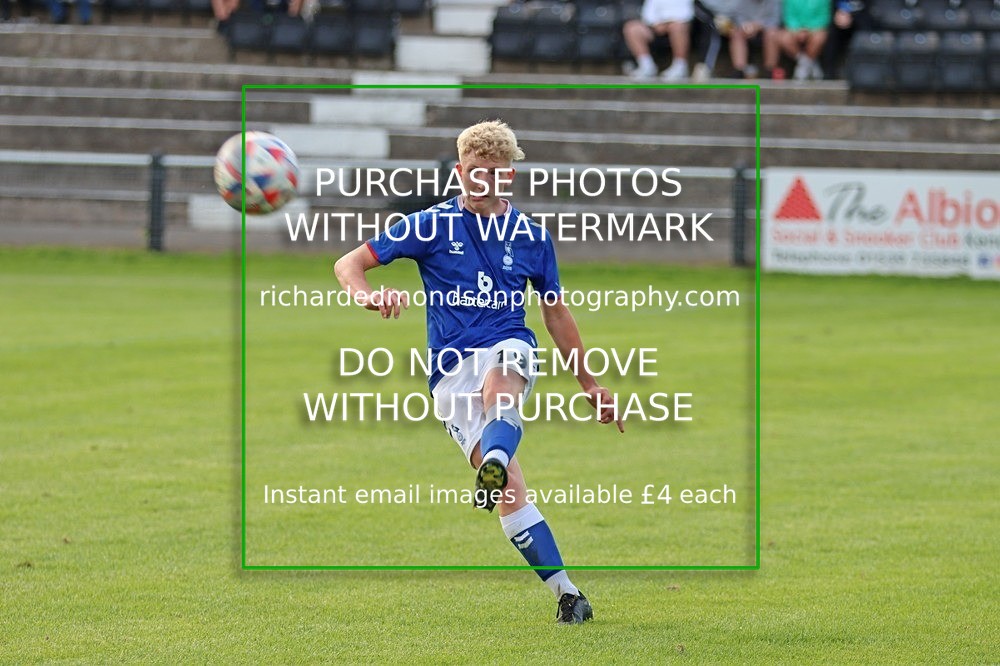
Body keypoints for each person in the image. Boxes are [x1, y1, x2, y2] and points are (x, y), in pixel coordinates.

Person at [333, 120, 623, 625]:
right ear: (459, 168)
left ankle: (493, 451)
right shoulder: (430, 225)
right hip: (448, 375)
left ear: (508, 175)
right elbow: (348, 263)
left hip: (507, 346)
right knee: (510, 488)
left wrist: (590, 384)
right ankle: (568, 595)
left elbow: (554, 312)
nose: (479, 182)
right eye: (471, 172)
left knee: (503, 376)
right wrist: (368, 295)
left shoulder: (532, 237)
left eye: (491, 173)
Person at [623, 0, 695, 80]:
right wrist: (655, 24)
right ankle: (647, 66)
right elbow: (647, 13)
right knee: (631, 28)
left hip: (677, 27)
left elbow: (686, 14)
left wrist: (667, 23)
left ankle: (680, 67)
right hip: (655, 29)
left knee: (678, 27)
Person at [729, 0, 782, 78]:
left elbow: (776, 20)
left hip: (767, 30)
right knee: (736, 34)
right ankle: (739, 70)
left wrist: (759, 26)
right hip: (747, 30)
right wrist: (745, 26)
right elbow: (738, 17)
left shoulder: (775, 1)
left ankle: (769, 70)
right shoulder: (741, 2)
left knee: (772, 34)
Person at [779, 0, 830, 80]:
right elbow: (788, 17)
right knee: (784, 37)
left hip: (815, 29)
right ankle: (808, 64)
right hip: (795, 29)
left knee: (820, 37)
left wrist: (808, 29)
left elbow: (824, 17)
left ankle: (804, 66)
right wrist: (797, 30)